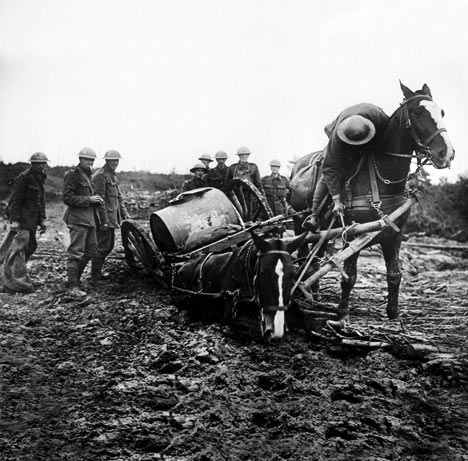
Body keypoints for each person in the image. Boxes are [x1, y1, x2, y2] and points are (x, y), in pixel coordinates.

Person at [305, 103, 389, 231]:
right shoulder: (337, 140)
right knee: (326, 176)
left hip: (372, 134)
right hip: (337, 131)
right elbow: (330, 169)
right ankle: (314, 215)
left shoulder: (380, 118)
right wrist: (337, 200)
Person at [0, 153, 48, 292]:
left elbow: (40, 201)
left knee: (31, 246)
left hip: (32, 219)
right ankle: (12, 281)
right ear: (32, 164)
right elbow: (15, 200)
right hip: (22, 219)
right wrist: (14, 220)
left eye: (44, 163)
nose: (42, 166)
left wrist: (42, 220)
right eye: (39, 163)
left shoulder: (41, 177)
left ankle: (17, 274)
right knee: (17, 248)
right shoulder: (23, 178)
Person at [63, 147, 104, 296]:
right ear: (80, 159)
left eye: (92, 160)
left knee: (91, 250)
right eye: (87, 160)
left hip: (90, 219)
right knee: (76, 253)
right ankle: (73, 287)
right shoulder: (72, 175)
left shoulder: (89, 176)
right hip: (77, 219)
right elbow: (67, 198)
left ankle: (75, 281)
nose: (90, 163)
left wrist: (95, 201)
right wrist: (89, 200)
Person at [91, 150, 130, 281]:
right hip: (104, 218)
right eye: (112, 160)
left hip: (112, 217)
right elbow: (99, 200)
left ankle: (96, 273)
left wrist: (125, 214)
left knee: (108, 245)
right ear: (106, 161)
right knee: (103, 246)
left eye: (116, 161)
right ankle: (95, 275)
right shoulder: (101, 176)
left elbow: (119, 198)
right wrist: (104, 221)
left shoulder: (113, 176)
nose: (115, 163)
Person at [226, 146, 265, 221]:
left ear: (248, 155)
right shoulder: (232, 168)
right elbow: (227, 185)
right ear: (239, 156)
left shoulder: (253, 167)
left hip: (250, 197)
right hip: (237, 198)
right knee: (238, 217)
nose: (244, 156)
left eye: (246, 155)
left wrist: (262, 199)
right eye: (242, 155)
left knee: (251, 219)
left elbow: (259, 184)